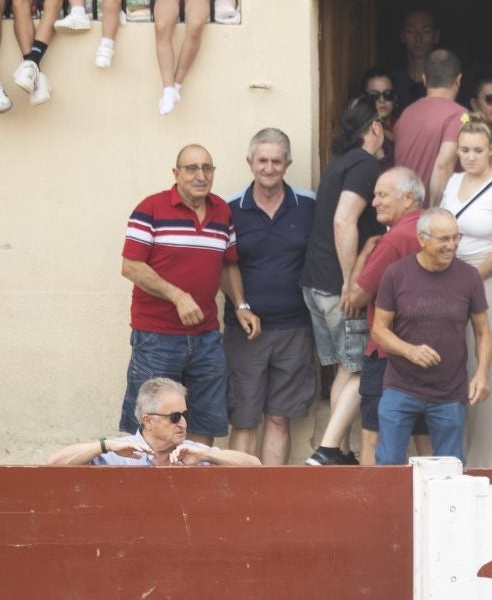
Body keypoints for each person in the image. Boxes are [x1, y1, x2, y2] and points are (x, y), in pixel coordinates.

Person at [119, 142, 255, 446]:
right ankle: (147, 490)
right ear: (176, 173)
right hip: (157, 337)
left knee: (204, 419)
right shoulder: (150, 208)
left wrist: (241, 304)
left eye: (207, 168)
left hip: (206, 337)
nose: (200, 175)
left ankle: (195, 487)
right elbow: (131, 266)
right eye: (192, 168)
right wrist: (177, 296)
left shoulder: (222, 211)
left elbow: (228, 265)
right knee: (151, 423)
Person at [300, 97, 387, 466]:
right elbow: (343, 221)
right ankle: (329, 449)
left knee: (343, 367)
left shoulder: (339, 163)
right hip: (339, 286)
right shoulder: (366, 165)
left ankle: (340, 450)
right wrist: (353, 281)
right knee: (359, 368)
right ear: (375, 128)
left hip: (315, 283)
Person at [370, 208, 491, 464]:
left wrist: (482, 374)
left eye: (456, 237)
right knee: (389, 463)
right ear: (422, 239)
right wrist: (409, 350)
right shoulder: (396, 273)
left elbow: (483, 331)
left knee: (451, 468)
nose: (452, 245)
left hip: (449, 390)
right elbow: (379, 330)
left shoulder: (469, 277)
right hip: (401, 386)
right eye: (443, 239)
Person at [225, 128, 316, 466]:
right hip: (246, 330)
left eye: (276, 161)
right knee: (245, 418)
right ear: (250, 163)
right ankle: (237, 498)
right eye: (262, 160)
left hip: (295, 328)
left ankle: (268, 494)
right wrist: (240, 305)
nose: (269, 167)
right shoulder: (230, 207)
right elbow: (224, 263)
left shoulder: (308, 204)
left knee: (280, 418)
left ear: (288, 163)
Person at [441, 115, 492, 458]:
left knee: (491, 371)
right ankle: (458, 458)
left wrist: (469, 280)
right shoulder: (453, 182)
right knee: (457, 371)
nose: (471, 157)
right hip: (452, 285)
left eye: (477, 150)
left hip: (490, 284)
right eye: (464, 150)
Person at [350, 167, 428, 464]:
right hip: (427, 352)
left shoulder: (393, 240)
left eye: (382, 195)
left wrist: (363, 256)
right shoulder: (432, 232)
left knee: (373, 437)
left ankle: (371, 507)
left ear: (407, 198)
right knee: (426, 440)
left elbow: (356, 298)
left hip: (387, 353)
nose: (374, 203)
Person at [47, 377, 259, 467]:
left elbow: (255, 466)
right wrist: (104, 446)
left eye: (185, 415)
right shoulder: (119, 452)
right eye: (175, 417)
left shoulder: (192, 452)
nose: (183, 423)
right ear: (148, 421)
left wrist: (208, 455)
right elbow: (53, 464)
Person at [393, 47, 465, 205]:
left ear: (424, 79)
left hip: (403, 212)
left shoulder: (406, 114)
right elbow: (443, 166)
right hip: (432, 219)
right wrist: (433, 211)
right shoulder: (459, 116)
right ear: (459, 80)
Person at [388, 7, 437, 110]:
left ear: (436, 36)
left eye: (426, 31)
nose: (418, 38)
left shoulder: (447, 84)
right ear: (402, 36)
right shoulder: (392, 83)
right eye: (411, 31)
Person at [361, 66, 397, 164]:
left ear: (395, 97)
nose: (382, 100)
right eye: (374, 95)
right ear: (363, 98)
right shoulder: (358, 132)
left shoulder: (404, 127)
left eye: (388, 94)